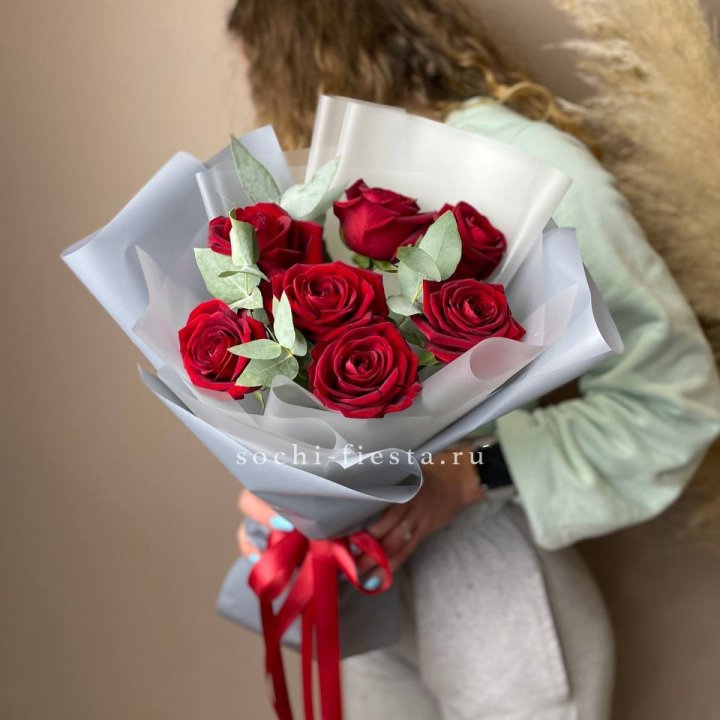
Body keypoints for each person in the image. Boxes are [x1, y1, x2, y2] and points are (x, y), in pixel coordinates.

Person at [227, 1, 720, 718]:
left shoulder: (531, 168)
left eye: (257, 72)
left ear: (290, 60)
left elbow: (674, 401)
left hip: (497, 603)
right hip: (367, 600)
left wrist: (467, 472)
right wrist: (285, 489)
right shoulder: (309, 193)